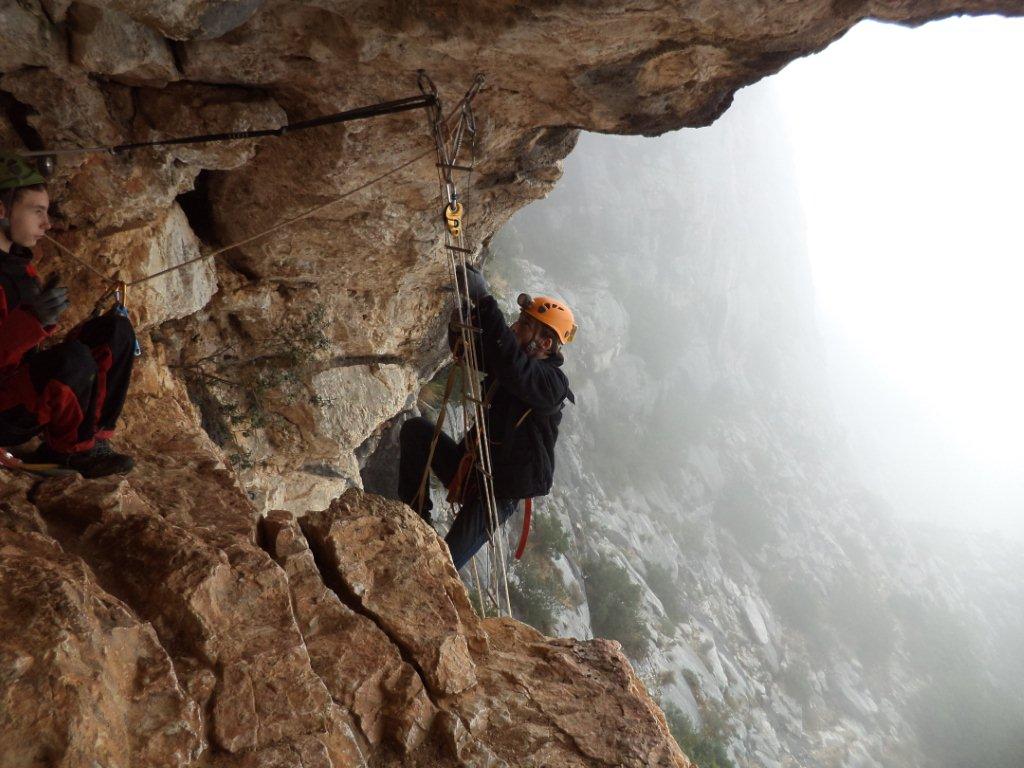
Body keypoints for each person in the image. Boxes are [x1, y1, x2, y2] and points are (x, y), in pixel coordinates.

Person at [398, 265, 576, 569]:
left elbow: (512, 366)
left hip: (499, 490)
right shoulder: (517, 364)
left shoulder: (551, 384)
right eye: (521, 320)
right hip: (474, 465)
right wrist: (461, 324)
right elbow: (475, 353)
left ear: (545, 343)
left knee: (445, 566)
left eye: (526, 324)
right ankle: (415, 519)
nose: (516, 327)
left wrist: (484, 299)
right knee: (415, 432)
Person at [0, 152, 136, 477]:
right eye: (37, 212)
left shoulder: (19, 265)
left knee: (114, 331)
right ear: (2, 211)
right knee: (71, 360)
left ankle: (92, 440)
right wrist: (32, 320)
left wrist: (42, 319)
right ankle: (72, 453)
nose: (46, 224)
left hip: (18, 389)